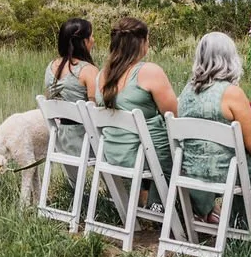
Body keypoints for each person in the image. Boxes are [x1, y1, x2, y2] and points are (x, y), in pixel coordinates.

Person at [177, 32, 251, 223]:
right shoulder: (231, 93)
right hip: (224, 173)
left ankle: (230, 219)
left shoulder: (186, 91)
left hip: (191, 169)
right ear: (230, 59)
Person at [96, 17, 179, 209]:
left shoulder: (101, 75)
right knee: (188, 155)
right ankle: (174, 208)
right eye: (148, 38)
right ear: (141, 42)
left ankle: (153, 203)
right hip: (142, 156)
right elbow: (173, 116)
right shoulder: (149, 72)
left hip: (113, 154)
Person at [43, 18, 98, 161]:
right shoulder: (88, 71)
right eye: (91, 36)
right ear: (83, 41)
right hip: (85, 143)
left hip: (62, 141)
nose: (93, 40)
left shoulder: (51, 66)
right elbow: (96, 111)